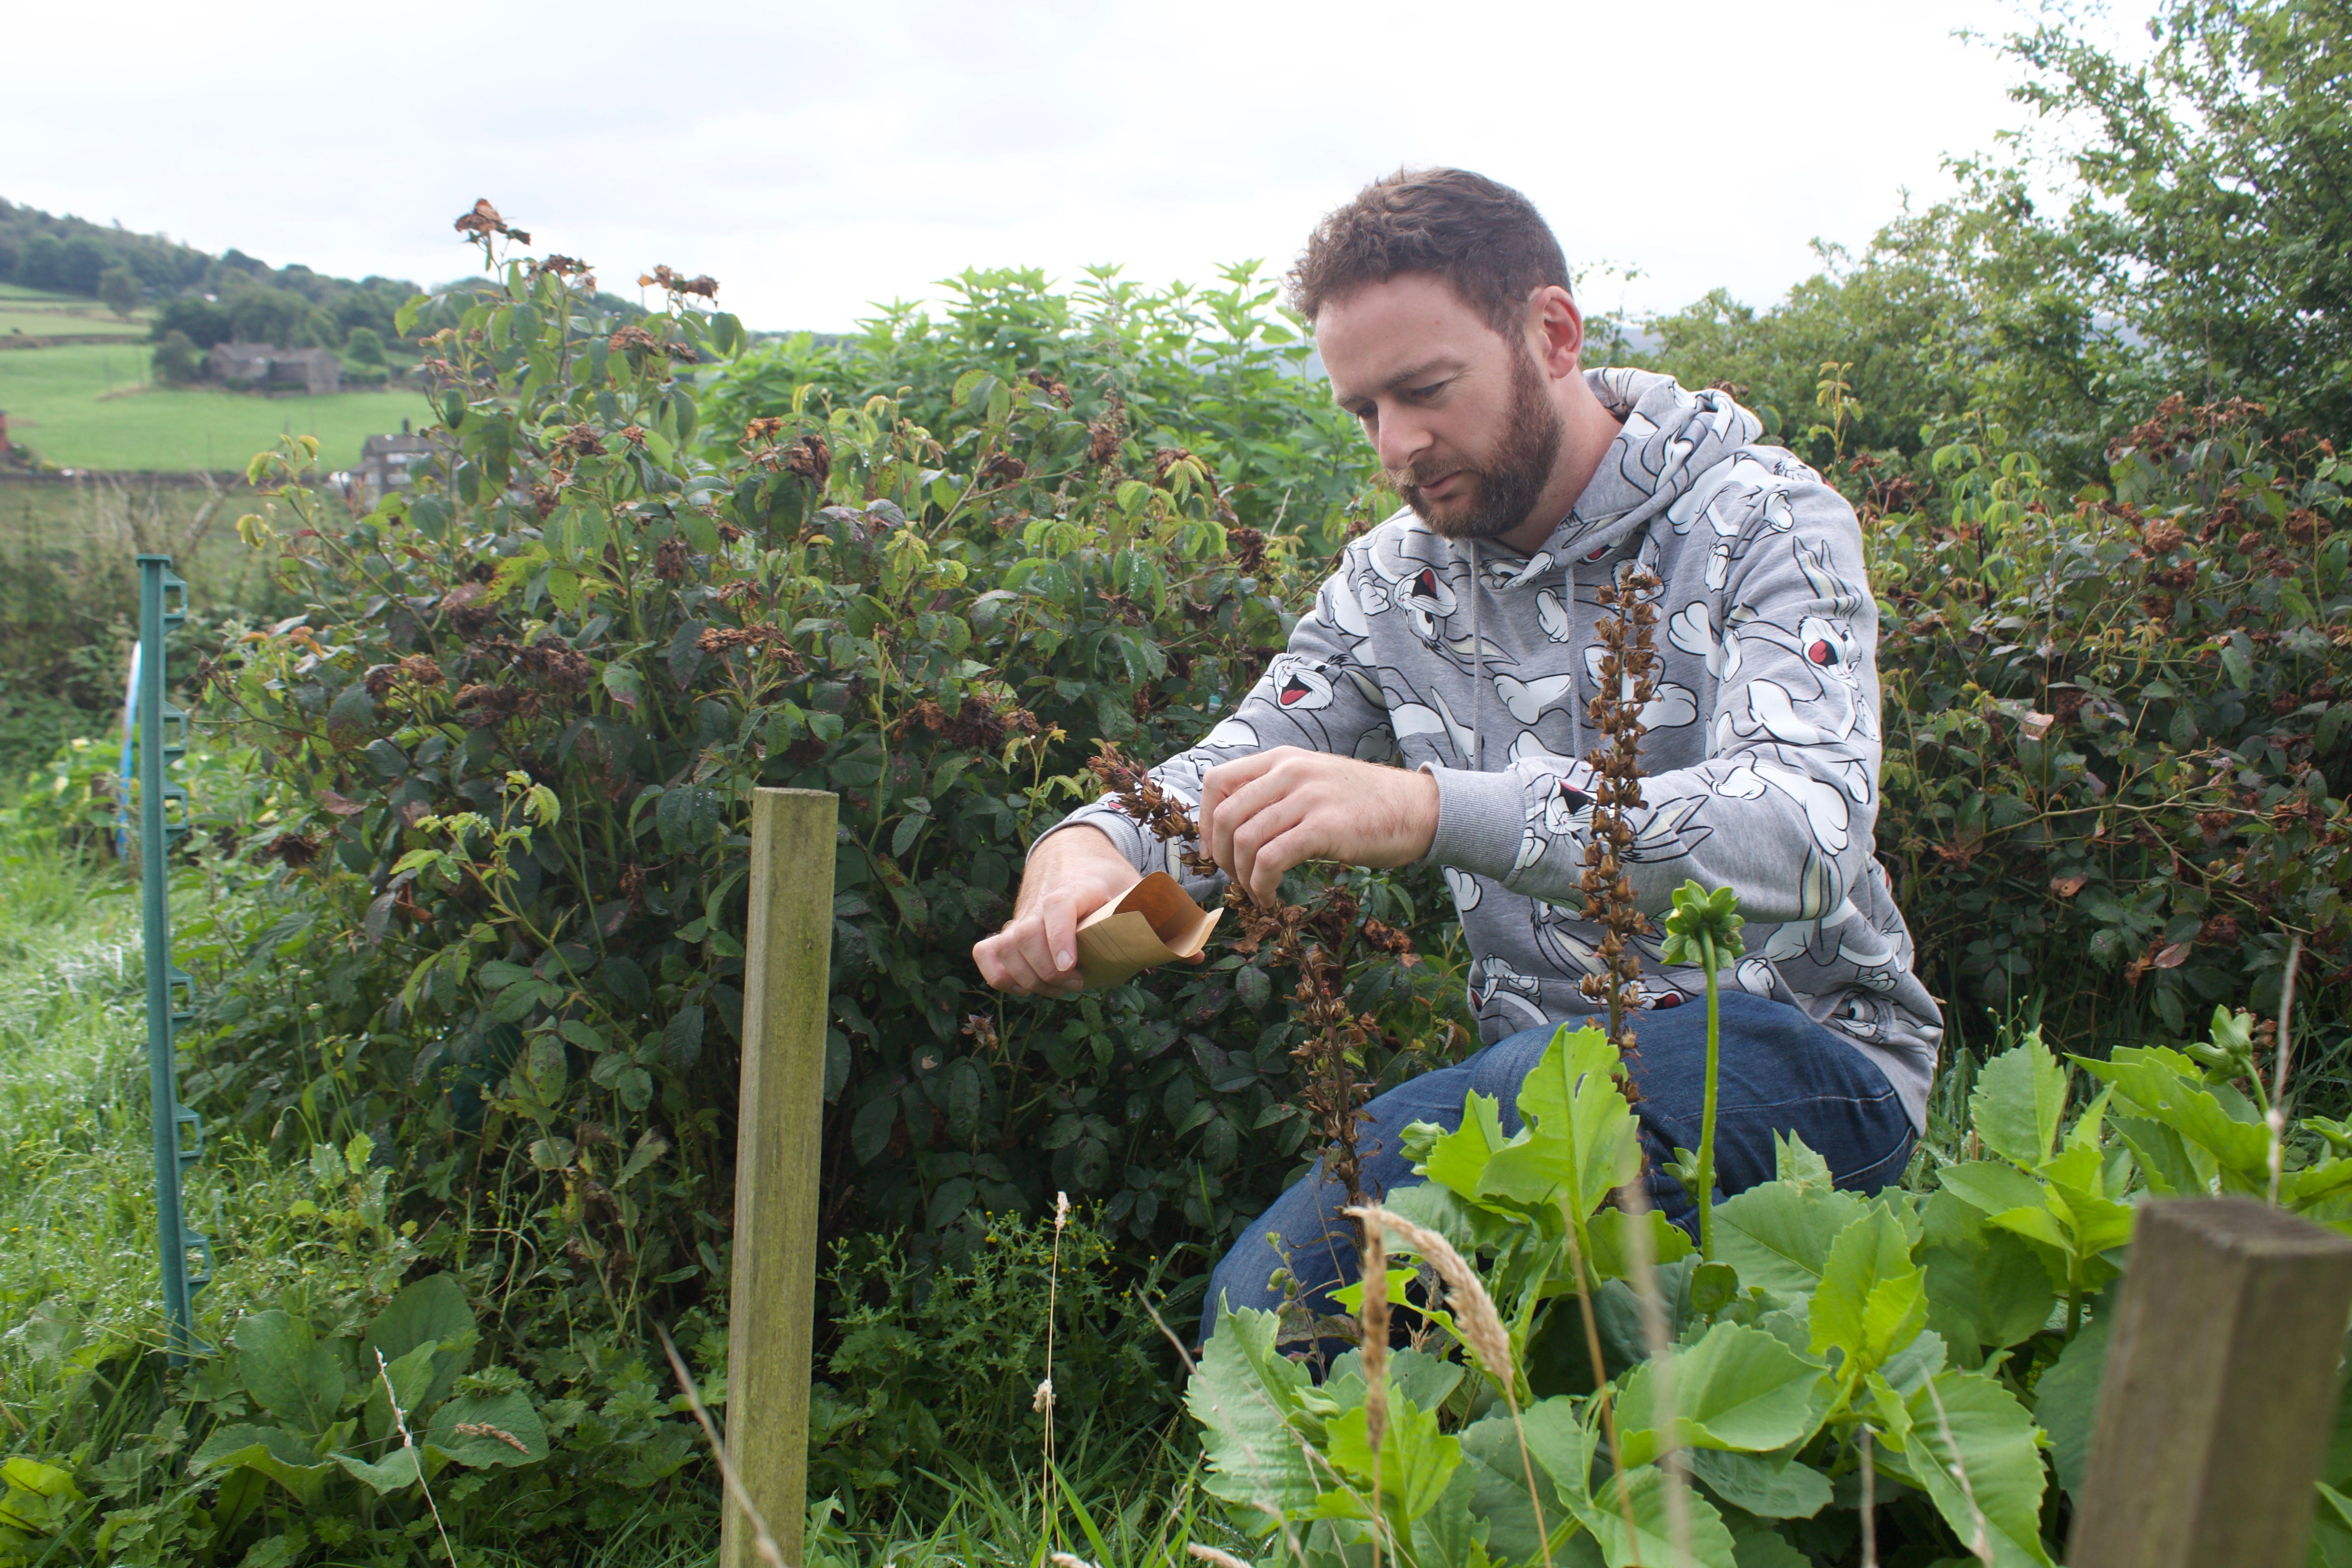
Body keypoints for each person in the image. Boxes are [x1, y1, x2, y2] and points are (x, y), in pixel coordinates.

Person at [971, 167, 1942, 1346]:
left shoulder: (1761, 523)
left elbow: (1801, 836)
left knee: (1585, 1227)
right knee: (1272, 1317)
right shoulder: (1397, 580)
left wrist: (1429, 811)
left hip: (1805, 1052)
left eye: (1426, 391)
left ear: (1553, 334)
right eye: (1364, 411)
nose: (1398, 445)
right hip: (1541, 1082)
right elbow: (1235, 775)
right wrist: (1087, 862)